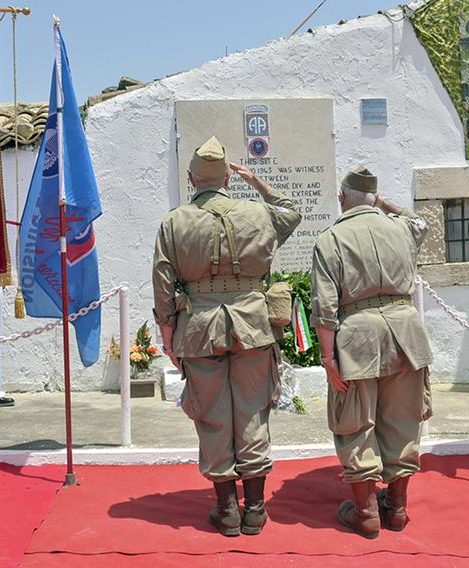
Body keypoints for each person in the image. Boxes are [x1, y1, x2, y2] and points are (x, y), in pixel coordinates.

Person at [152, 136, 301, 536]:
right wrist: (257, 183)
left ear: (191, 179)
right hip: (252, 325)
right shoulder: (258, 214)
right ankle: (255, 509)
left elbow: (163, 286)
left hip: (199, 329)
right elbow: (290, 210)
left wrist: (168, 337)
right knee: (253, 412)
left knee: (213, 416)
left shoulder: (174, 222)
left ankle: (227, 511)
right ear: (228, 180)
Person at [310, 166, 432, 539]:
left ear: (343, 198)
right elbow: (420, 222)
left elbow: (324, 308)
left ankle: (365, 512)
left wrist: (328, 359)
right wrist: (381, 202)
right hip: (406, 333)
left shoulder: (331, 238)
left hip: (358, 335)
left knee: (356, 422)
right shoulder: (401, 229)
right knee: (402, 420)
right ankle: (396, 507)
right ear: (373, 198)